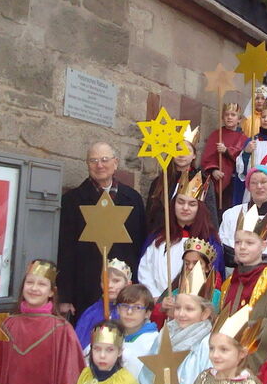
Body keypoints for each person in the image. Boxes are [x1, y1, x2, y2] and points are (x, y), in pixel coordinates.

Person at [57, 141, 146, 321]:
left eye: (105, 159)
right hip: (85, 287)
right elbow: (65, 250)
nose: (99, 165)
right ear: (87, 165)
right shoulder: (72, 201)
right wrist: (65, 296)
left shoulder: (133, 199)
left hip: (123, 289)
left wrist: (136, 287)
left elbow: (139, 246)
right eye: (93, 160)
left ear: (115, 163)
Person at [138, 171, 224, 301]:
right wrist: (156, 297)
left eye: (192, 204)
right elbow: (145, 269)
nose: (185, 208)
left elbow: (213, 277)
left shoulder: (209, 241)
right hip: (157, 303)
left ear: (200, 208)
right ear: (173, 205)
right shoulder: (158, 237)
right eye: (181, 202)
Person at [220, 223, 267, 373]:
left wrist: (242, 330)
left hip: (254, 360)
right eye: (238, 242)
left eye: (250, 243)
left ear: (263, 245)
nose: (242, 247)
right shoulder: (230, 282)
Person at [145, 125, 218, 232]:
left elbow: (210, 215)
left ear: (194, 155)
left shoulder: (202, 181)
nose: (182, 154)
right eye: (178, 150)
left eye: (187, 150)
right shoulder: (160, 181)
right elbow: (150, 215)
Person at [201, 101, 248, 214]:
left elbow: (241, 156)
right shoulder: (217, 134)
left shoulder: (243, 138)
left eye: (233, 115)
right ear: (222, 117)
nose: (229, 117)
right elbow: (208, 156)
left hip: (233, 181)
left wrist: (227, 151)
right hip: (217, 179)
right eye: (227, 115)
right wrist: (213, 170)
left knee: (229, 209)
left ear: (239, 119)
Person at [74, 258, 132, 350]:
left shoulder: (131, 313)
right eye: (105, 280)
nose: (109, 285)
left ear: (128, 284)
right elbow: (78, 346)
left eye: (116, 281)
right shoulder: (91, 313)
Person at [116, 284, 158, 379]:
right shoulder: (111, 337)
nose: (129, 312)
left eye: (137, 307)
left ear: (147, 313)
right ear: (118, 309)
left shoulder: (154, 342)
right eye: (125, 306)